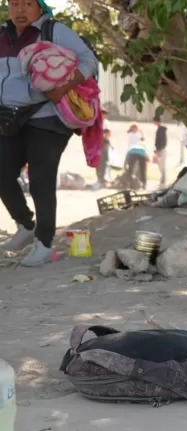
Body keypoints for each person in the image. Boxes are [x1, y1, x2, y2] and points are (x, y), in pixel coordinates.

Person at [0, 0, 99, 266]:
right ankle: (26, 224)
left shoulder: (55, 31)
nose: (20, 10)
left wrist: (65, 85)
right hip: (11, 116)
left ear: (40, 7)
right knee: (2, 171)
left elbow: (89, 60)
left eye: (27, 3)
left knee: (40, 177)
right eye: (14, 4)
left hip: (49, 115)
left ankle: (43, 243)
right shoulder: (2, 34)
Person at [124, 124, 147, 189]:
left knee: (136, 169)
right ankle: (140, 183)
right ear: (132, 128)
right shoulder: (131, 135)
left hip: (135, 152)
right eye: (135, 128)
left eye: (136, 128)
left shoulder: (134, 135)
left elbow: (142, 139)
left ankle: (141, 183)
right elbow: (142, 140)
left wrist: (141, 132)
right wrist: (141, 132)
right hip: (135, 152)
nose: (136, 129)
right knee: (139, 169)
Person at [153, 115, 167, 186]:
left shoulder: (161, 130)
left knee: (162, 166)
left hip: (161, 150)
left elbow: (162, 141)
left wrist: (158, 151)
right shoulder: (160, 129)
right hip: (160, 149)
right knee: (160, 165)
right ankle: (162, 180)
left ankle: (163, 181)